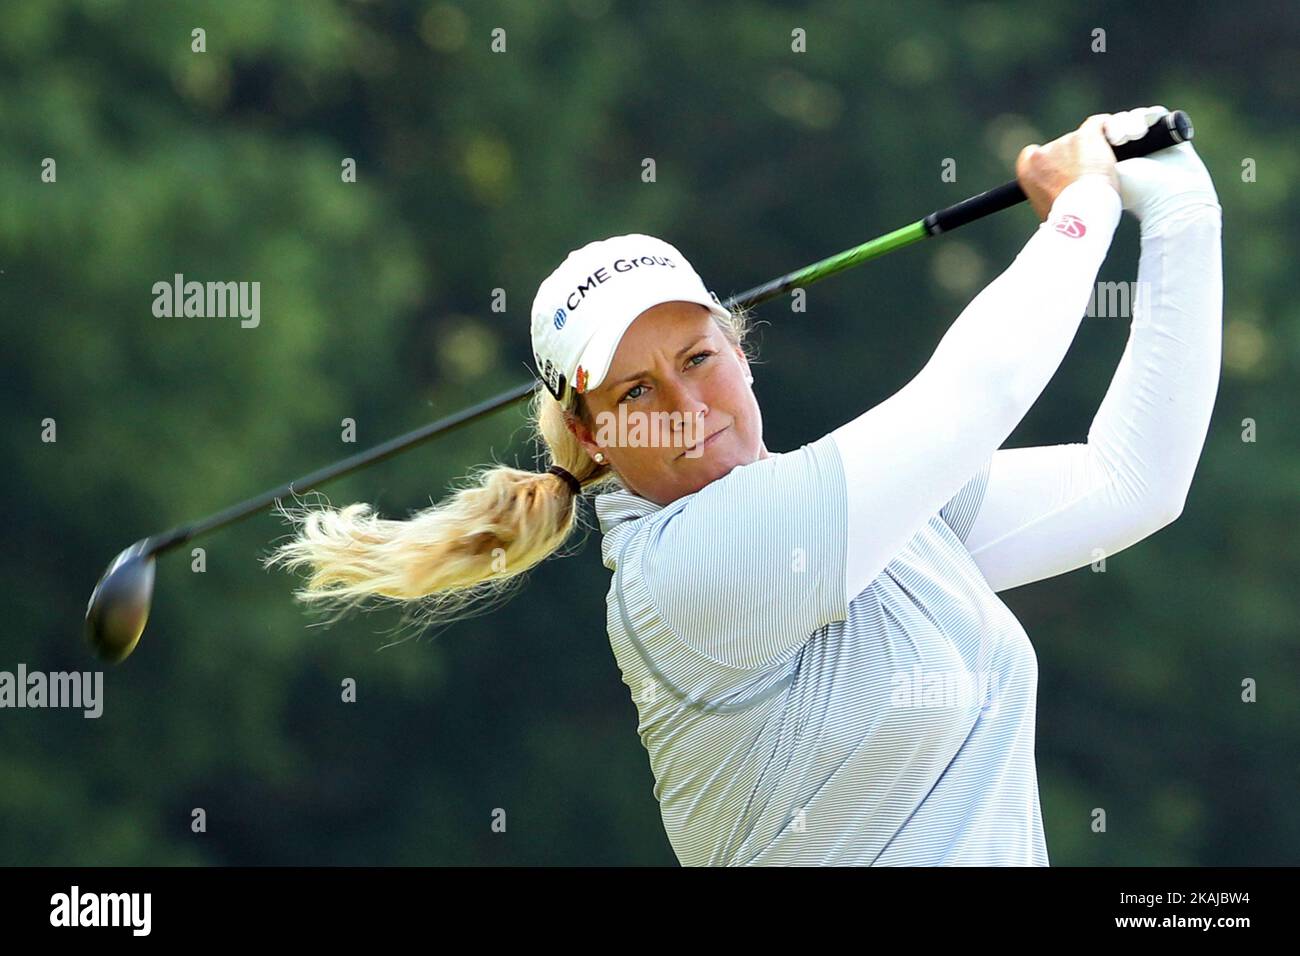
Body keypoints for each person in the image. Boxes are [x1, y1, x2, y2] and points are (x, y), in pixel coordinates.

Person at [264, 107, 1222, 865]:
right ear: (595, 437)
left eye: (696, 355)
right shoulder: (682, 574)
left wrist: (1182, 209)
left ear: (742, 349)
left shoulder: (875, 522)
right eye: (638, 389)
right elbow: (976, 395)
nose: (685, 404)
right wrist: (1082, 207)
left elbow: (1132, 481)